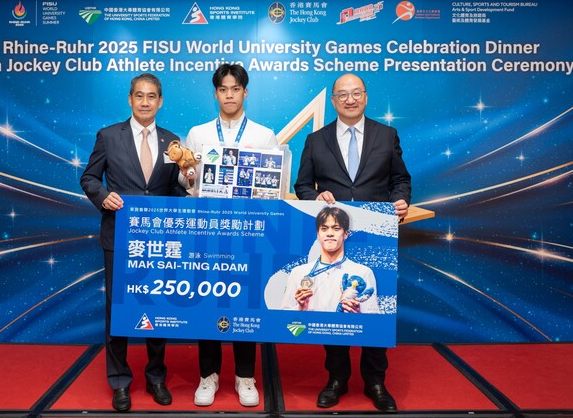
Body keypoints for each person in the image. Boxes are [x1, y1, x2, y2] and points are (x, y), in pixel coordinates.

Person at [294, 73, 411, 412]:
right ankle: (337, 379)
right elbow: (303, 186)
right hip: (335, 235)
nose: (350, 99)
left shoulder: (386, 135)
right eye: (342, 95)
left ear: (365, 97)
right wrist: (316, 197)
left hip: (376, 235)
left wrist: (401, 200)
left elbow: (400, 179)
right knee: (334, 303)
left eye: (356, 93)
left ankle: (375, 381)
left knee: (372, 306)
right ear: (333, 101)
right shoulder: (316, 140)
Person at [80, 73, 188, 412]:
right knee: (118, 310)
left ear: (160, 101)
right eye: (139, 95)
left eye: (151, 96)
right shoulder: (109, 136)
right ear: (130, 99)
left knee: (157, 306)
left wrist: (191, 188)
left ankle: (156, 377)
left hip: (159, 240)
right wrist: (102, 196)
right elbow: (88, 177)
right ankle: (120, 381)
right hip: (119, 237)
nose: (145, 102)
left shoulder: (173, 142)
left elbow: (173, 188)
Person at [182, 63, 278, 407]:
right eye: (223, 89)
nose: (229, 95)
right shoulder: (198, 133)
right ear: (215, 94)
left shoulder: (264, 135)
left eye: (235, 89)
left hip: (247, 235)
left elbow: (275, 186)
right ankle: (208, 375)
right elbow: (185, 182)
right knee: (208, 301)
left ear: (245, 92)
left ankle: (245, 376)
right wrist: (188, 174)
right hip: (207, 234)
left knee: (246, 303)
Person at [280, 206, 380, 313]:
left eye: (336, 228)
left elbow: (373, 317)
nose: (330, 233)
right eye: (324, 229)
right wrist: (301, 309)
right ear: (318, 234)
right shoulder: (298, 273)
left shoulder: (363, 272)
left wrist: (357, 314)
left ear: (346, 234)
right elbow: (283, 315)